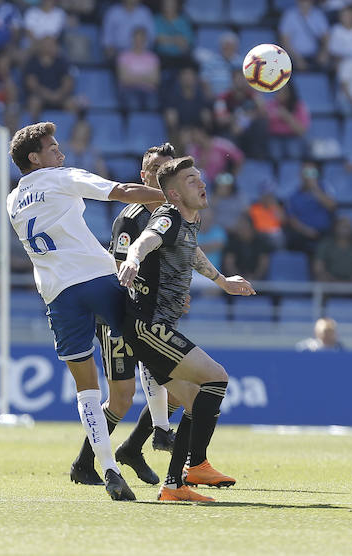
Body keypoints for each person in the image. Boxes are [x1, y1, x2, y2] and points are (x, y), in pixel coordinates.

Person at [6, 121, 166, 501]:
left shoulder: (13, 200)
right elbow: (124, 191)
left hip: (58, 295)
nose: (60, 152)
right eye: (53, 147)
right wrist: (173, 196)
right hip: (98, 279)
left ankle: (107, 466)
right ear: (35, 158)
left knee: (87, 390)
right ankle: (161, 428)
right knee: (153, 345)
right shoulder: (60, 177)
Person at [118, 156, 258, 502]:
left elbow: (191, 251)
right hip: (148, 326)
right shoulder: (167, 217)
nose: (202, 182)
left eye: (199, 176)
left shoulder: (188, 223)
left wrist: (222, 280)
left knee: (195, 398)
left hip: (154, 326)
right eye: (191, 179)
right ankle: (194, 466)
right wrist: (133, 258)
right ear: (174, 194)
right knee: (216, 377)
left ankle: (173, 486)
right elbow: (148, 239)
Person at [69, 143, 184, 487]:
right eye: (155, 171)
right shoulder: (130, 218)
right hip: (121, 315)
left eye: (169, 171)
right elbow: (120, 268)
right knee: (121, 397)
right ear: (144, 176)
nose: (162, 178)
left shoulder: (173, 214)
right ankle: (85, 463)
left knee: (179, 387)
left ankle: (134, 446)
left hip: (154, 315)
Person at [284, 160, 337, 253]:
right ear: (301, 174)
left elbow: (332, 206)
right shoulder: (293, 195)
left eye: (312, 172)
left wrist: (315, 189)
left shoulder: (324, 188)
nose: (309, 176)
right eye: (306, 172)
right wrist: (306, 231)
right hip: (302, 234)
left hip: (324, 233)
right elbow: (292, 220)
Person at [23, 36, 78, 119]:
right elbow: (31, 84)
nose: (51, 47)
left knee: (71, 104)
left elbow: (68, 82)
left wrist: (59, 94)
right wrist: (48, 95)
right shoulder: (32, 62)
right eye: (47, 45)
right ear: (41, 46)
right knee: (34, 102)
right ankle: (35, 129)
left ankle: (72, 129)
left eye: (52, 44)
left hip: (60, 96)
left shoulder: (62, 61)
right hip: (40, 96)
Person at [116, 26, 160, 112]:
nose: (138, 41)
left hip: (149, 91)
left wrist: (133, 76)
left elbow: (155, 80)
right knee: (133, 104)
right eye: (136, 38)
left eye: (141, 39)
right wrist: (145, 77)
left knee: (152, 105)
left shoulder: (152, 58)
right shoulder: (124, 56)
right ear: (132, 39)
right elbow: (123, 79)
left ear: (145, 40)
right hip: (129, 91)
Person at [261, 85, 311, 160]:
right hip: (274, 137)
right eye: (278, 91)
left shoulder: (299, 107)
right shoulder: (270, 104)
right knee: (275, 154)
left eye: (283, 91)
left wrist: (287, 117)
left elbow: (302, 131)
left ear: (289, 93)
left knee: (294, 152)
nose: (279, 94)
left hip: (293, 137)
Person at [278, 0, 330, 71]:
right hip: (294, 56)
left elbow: (326, 37)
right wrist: (297, 59)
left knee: (326, 63)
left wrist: (324, 52)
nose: (305, 3)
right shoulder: (289, 15)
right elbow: (285, 41)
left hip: (315, 56)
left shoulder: (318, 15)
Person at [313, 215, 352, 282]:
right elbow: (319, 268)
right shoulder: (325, 244)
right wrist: (332, 282)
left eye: (348, 227)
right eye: (342, 226)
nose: (345, 229)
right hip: (328, 282)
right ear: (335, 227)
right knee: (319, 284)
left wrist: (350, 283)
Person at [222, 214, 273, 281]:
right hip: (235, 282)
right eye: (240, 227)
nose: (241, 230)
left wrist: (255, 277)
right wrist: (240, 279)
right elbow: (229, 264)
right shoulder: (232, 241)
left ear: (251, 228)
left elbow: (264, 264)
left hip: (258, 282)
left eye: (244, 227)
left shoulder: (261, 242)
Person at [195, 31, 240, 98]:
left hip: (235, 98)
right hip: (214, 98)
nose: (228, 48)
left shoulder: (241, 62)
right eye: (225, 46)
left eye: (231, 46)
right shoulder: (210, 62)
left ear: (236, 47)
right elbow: (204, 80)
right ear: (220, 47)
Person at [153, 0, 194, 71]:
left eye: (171, 4)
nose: (168, 6)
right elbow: (158, 39)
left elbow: (186, 44)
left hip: (180, 58)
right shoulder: (156, 20)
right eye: (166, 3)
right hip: (161, 57)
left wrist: (166, 39)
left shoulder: (184, 21)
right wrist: (176, 39)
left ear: (176, 5)